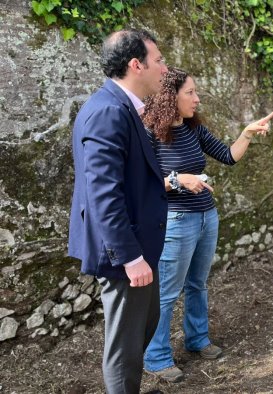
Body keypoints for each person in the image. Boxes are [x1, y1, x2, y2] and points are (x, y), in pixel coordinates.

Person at [140, 67, 273, 382]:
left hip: (206, 216)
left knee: (198, 284)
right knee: (167, 292)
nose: (197, 98)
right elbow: (142, 185)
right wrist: (177, 180)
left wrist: (247, 134)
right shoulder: (149, 133)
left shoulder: (193, 129)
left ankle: (197, 339)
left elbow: (228, 157)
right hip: (175, 221)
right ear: (169, 97)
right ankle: (156, 357)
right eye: (190, 92)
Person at [68, 29, 169, 393]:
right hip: (124, 252)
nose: (165, 68)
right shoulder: (109, 111)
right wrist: (130, 257)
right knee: (124, 346)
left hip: (139, 246)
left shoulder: (123, 107)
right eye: (159, 60)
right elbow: (102, 193)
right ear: (135, 64)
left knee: (146, 322)